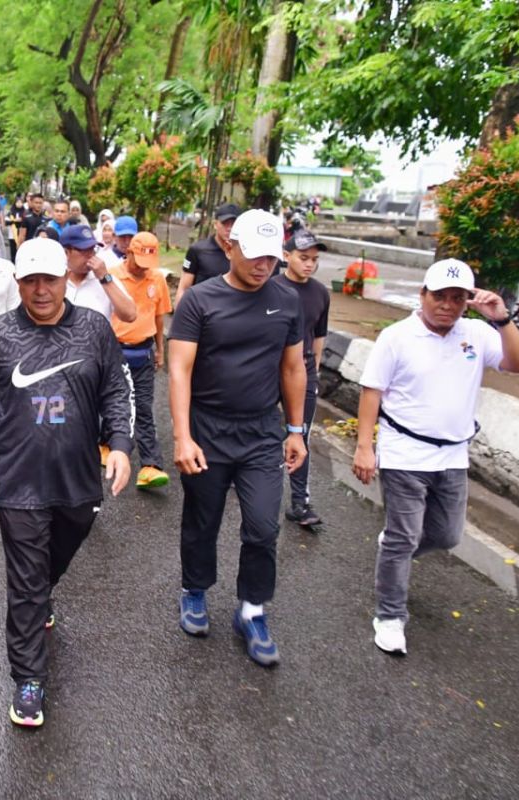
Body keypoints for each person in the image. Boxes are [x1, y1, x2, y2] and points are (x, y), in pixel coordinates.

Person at [0, 237, 133, 727]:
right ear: (19, 283)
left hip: (77, 478)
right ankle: (29, 679)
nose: (40, 291)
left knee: (57, 556)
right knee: (27, 583)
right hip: (18, 479)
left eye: (49, 280)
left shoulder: (95, 329)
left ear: (65, 279)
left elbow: (117, 391)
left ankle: (44, 592)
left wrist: (119, 444)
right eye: (30, 280)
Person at [352, 259, 519, 655]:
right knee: (403, 538)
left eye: (457, 298)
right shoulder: (397, 337)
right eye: (439, 296)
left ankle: (393, 554)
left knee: (447, 535)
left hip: (452, 456)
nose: (447, 305)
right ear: (423, 295)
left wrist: (502, 320)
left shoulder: (478, 334)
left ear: (468, 301)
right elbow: (371, 391)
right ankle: (390, 616)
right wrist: (365, 446)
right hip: (404, 453)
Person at [168, 208, 308, 668]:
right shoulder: (200, 301)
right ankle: (195, 589)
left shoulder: (288, 301)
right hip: (208, 428)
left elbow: (293, 367)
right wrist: (183, 436)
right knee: (203, 518)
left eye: (272, 256)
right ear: (230, 247)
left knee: (264, 525)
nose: (264, 264)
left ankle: (252, 608)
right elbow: (180, 370)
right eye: (254, 254)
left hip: (261, 432)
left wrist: (295, 429)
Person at [274, 229, 331, 529]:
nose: (309, 264)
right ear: (286, 256)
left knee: (300, 434)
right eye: (303, 258)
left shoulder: (320, 293)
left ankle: (299, 503)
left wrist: (314, 373)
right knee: (267, 430)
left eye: (314, 260)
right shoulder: (271, 288)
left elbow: (318, 338)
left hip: (304, 373)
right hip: (270, 371)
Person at [111, 231, 172, 489]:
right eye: (138, 261)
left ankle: (150, 464)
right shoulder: (112, 276)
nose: (142, 268)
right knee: (115, 405)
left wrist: (160, 350)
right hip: (114, 350)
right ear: (128, 252)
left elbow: (160, 318)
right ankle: (108, 446)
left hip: (144, 352)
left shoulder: (157, 279)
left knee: (144, 407)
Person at [60, 224, 136, 324]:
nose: (91, 255)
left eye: (92, 249)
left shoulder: (104, 278)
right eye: (84, 250)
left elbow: (130, 315)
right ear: (66, 252)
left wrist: (105, 279)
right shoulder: (54, 280)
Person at [176, 203, 240, 306]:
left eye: (234, 224)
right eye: (225, 223)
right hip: (200, 313)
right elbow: (183, 288)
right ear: (215, 224)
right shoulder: (198, 250)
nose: (229, 228)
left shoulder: (244, 254)